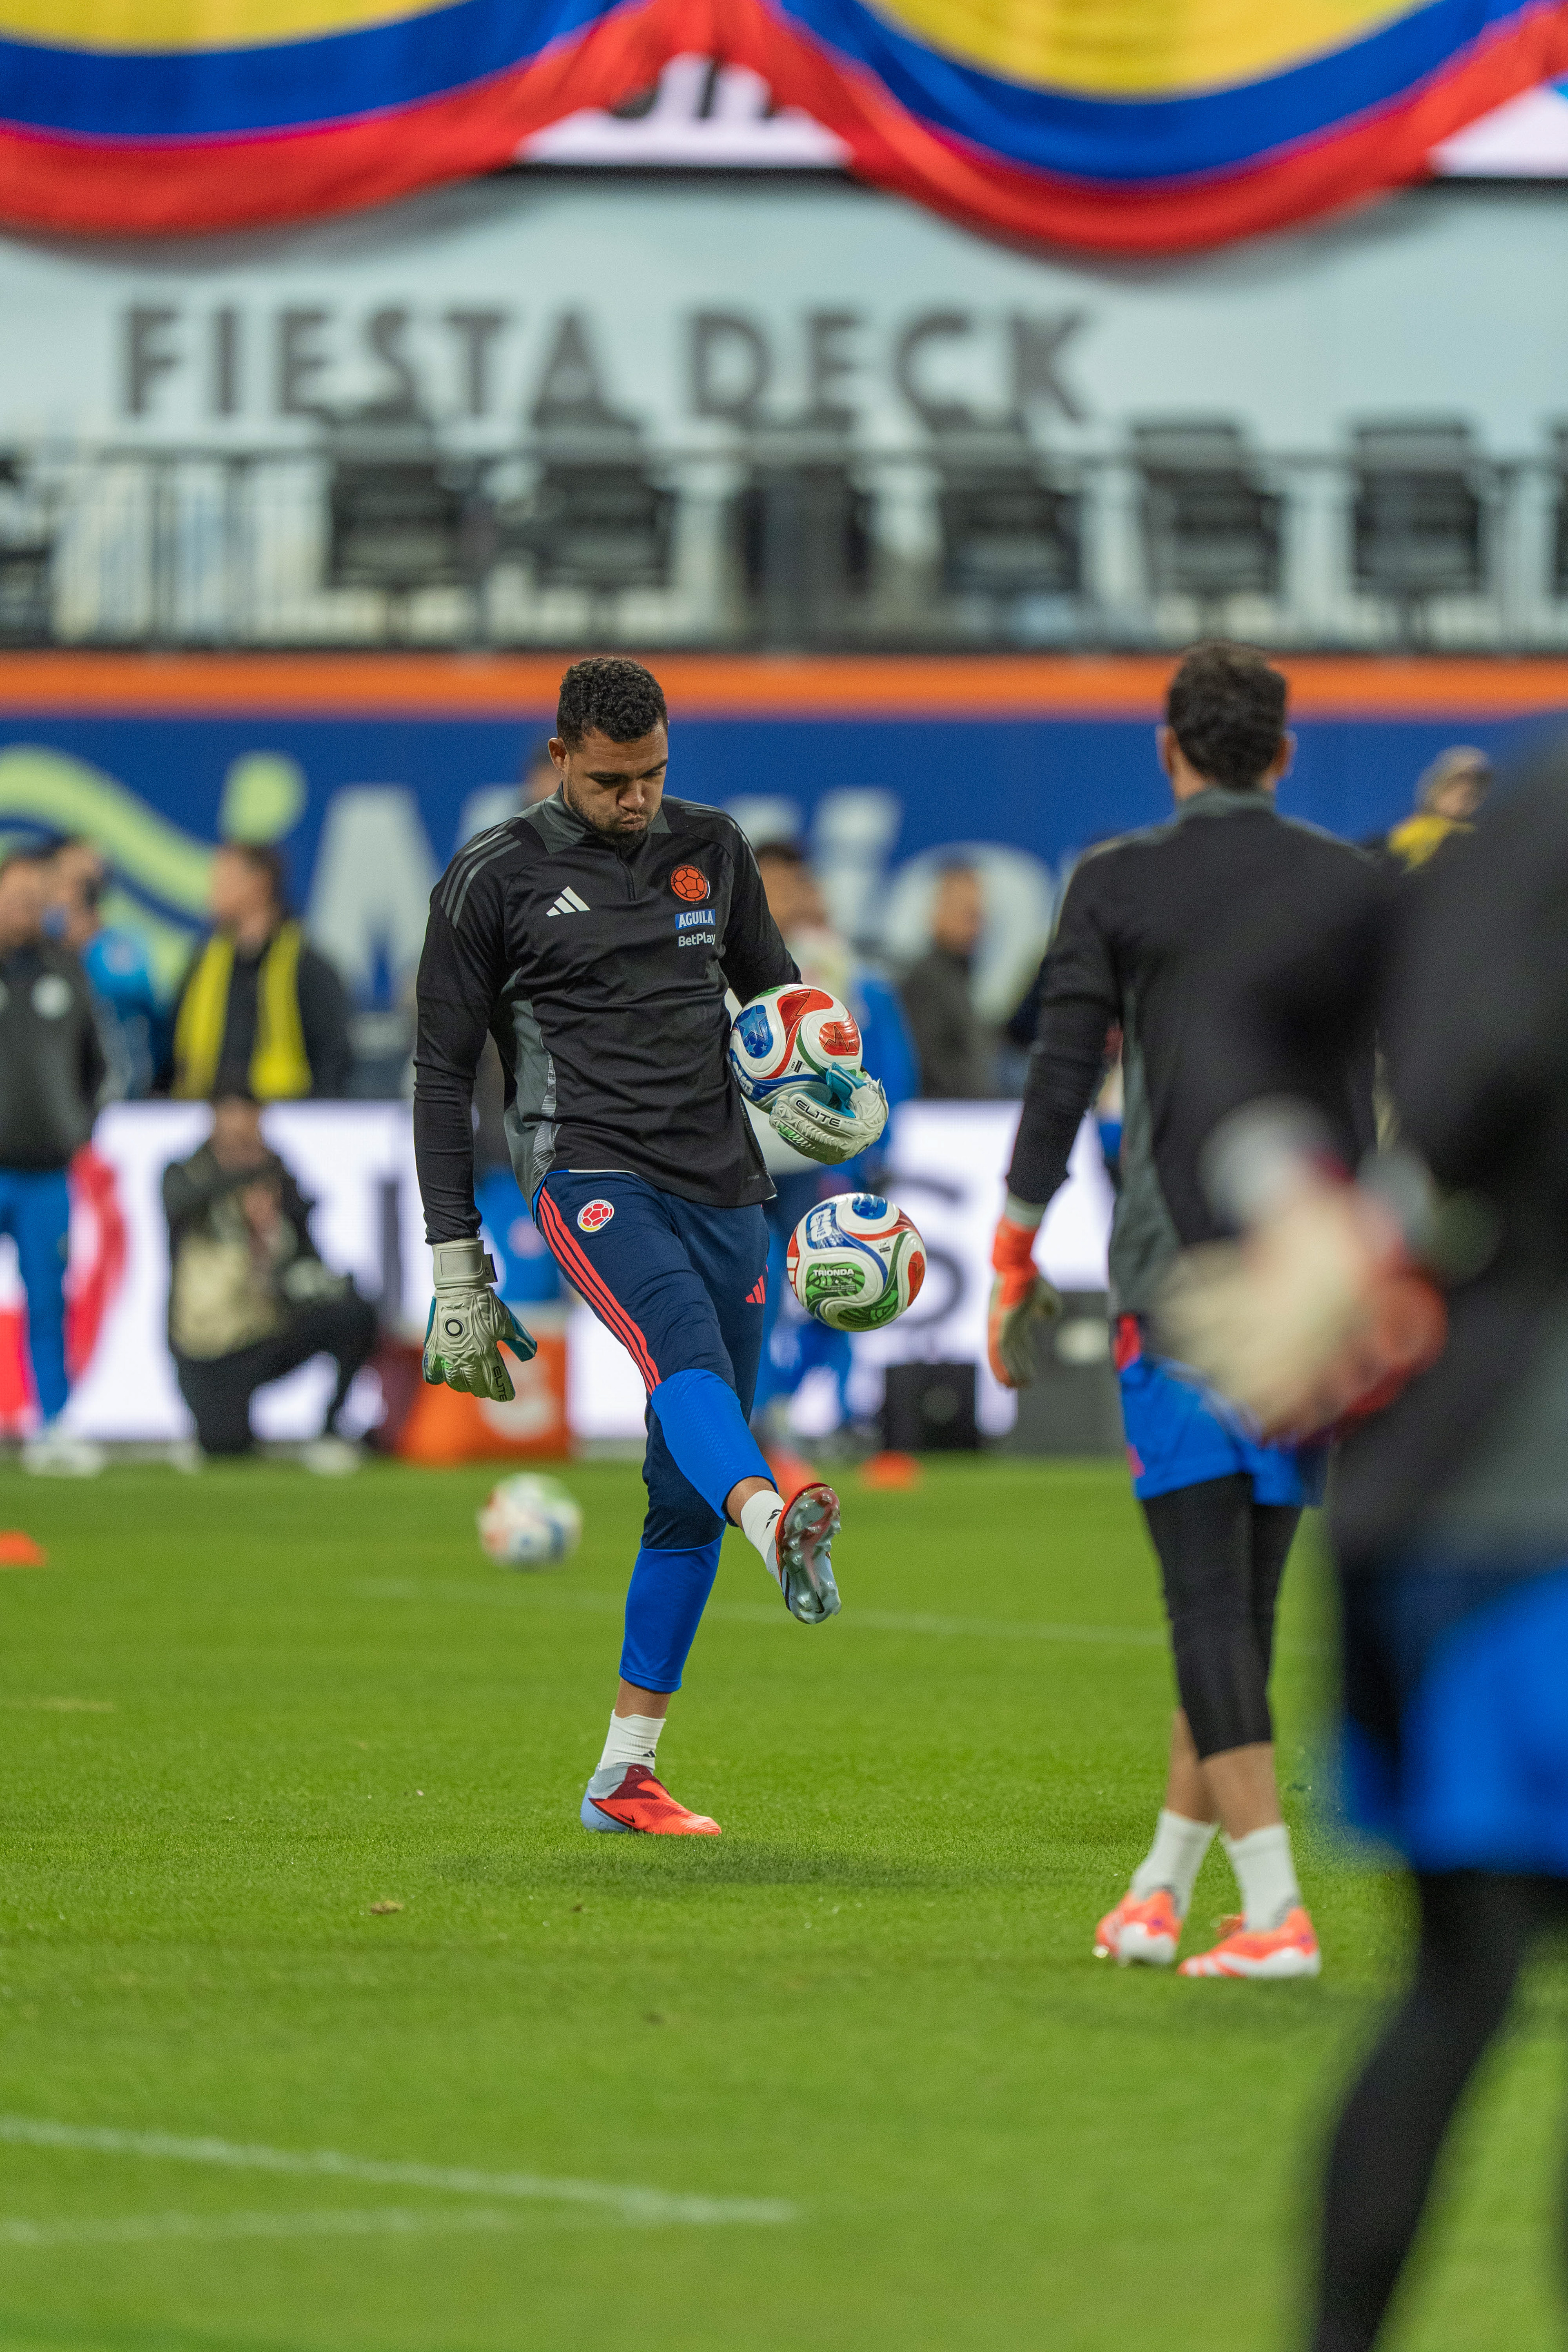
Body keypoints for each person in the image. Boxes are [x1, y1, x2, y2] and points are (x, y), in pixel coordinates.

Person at [1160, 742, 1568, 2352]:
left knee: (1458, 1988)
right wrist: (1388, 1211)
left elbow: (1237, 1001)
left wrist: (1308, 1201)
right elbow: (1509, 1058)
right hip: (1539, 1484)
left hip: (1431, 1478)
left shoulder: (1500, 823)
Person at [413, 656, 886, 1838]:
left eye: (653, 776)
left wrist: (826, 1088)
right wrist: (455, 1260)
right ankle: (776, 1514)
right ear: (562, 755)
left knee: (680, 1482)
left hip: (725, 1180)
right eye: (614, 780)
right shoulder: (491, 877)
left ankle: (626, 1773)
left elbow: (776, 1005)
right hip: (586, 1172)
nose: (636, 800)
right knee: (686, 1357)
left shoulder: (714, 849)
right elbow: (436, 1074)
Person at [989, 641, 1376, 1980]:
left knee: (1205, 1602)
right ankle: (1159, 1890)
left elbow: (1058, 1077)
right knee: (1243, 1607)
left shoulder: (1117, 883)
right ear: (1280, 753)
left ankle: (1275, 1914)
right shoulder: (1351, 885)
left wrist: (1014, 1252)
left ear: (1169, 751)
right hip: (1317, 1288)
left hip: (1182, 1281)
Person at [748, 839, 917, 1458]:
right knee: (754, 1284)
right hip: (744, 1156)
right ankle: (761, 1411)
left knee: (844, 1277)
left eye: (791, 884)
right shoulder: (714, 958)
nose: (782, 897)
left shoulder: (839, 965)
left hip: (821, 1158)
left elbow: (887, 1058)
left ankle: (837, 1409)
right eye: (770, 884)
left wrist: (879, 1143)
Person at [163, 1092, 378, 1469]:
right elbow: (180, 1205)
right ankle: (216, 1429)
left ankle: (331, 1428)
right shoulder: (184, 1173)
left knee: (353, 1313)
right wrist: (249, 1177)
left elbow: (306, 1256)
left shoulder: (280, 1177)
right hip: (209, 1346)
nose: (242, 1126)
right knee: (226, 1449)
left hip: (265, 1330)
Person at [0, 849, 111, 1476]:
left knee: (48, 1299)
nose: (23, 910)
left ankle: (53, 1423)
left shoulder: (65, 972)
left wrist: (77, 1129)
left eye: (32, 899)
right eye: (13, 897)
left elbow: (99, 1066)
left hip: (46, 1172)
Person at [167, 843, 352, 1101]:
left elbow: (331, 1057)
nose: (213, 891)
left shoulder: (308, 968)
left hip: (287, 1116)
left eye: (225, 879)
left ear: (260, 883)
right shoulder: (202, 964)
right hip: (207, 1115)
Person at [45, 836, 161, 1099]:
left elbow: (150, 1025)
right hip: (56, 1105)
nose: (77, 892)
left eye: (87, 884)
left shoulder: (122, 951)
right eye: (69, 881)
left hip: (125, 1102)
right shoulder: (37, 954)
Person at [900, 862, 997, 1097]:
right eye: (967, 914)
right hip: (945, 1120)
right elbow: (925, 1065)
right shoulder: (926, 982)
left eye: (979, 916)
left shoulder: (958, 978)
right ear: (938, 912)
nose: (975, 926)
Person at [1374, 742, 1491, 872]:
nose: (1465, 791)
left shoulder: (1480, 838)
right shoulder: (1412, 830)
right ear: (1438, 787)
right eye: (1456, 784)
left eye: (1477, 788)